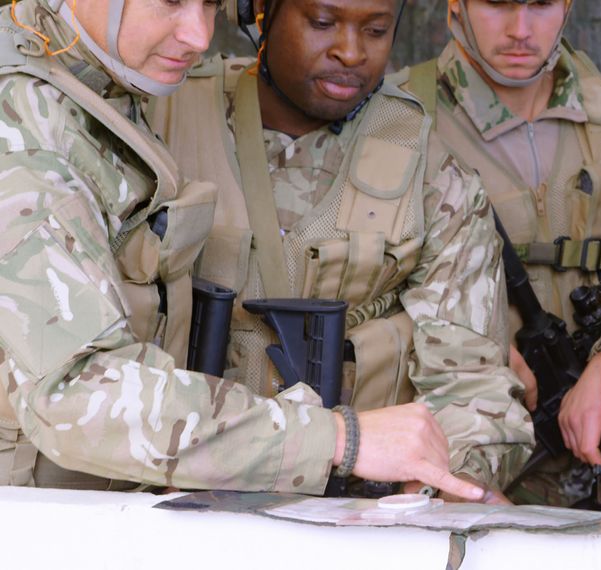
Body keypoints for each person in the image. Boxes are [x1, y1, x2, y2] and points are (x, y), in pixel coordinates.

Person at [0, 0, 485, 502]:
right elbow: (74, 394)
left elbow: (474, 381)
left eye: (210, 4)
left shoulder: (96, 91)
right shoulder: (20, 123)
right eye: (171, 2)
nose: (198, 35)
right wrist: (339, 439)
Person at [148, 0, 534, 502]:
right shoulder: (158, 119)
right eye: (322, 23)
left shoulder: (431, 173)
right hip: (168, 492)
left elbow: (472, 386)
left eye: (376, 30)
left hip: (362, 513)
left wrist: (442, 484)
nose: (350, 52)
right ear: (261, 11)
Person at [404, 0, 601, 506]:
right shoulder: (404, 116)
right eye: (497, 4)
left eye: (540, 5)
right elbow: (362, 299)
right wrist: (473, 352)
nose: (520, 30)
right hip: (463, 455)